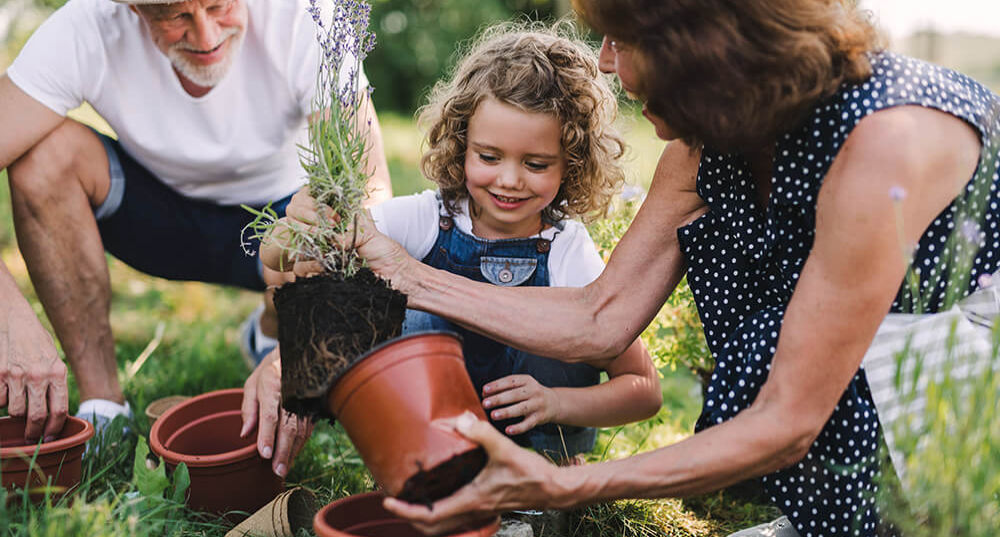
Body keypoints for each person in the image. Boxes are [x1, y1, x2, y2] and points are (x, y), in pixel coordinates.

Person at [273, 1, 998, 535]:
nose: (608, 65)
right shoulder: (710, 136)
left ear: (698, 43)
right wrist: (404, 273)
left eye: (620, 40)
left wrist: (562, 483)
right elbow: (600, 316)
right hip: (872, 359)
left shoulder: (884, 149)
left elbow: (787, 421)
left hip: (966, 390)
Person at [0, 0, 391, 479]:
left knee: (334, 216)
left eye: (218, 5)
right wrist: (10, 318)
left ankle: (272, 329)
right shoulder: (85, 25)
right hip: (157, 217)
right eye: (175, 17)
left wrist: (299, 345)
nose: (205, 36)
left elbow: (369, 195)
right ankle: (104, 407)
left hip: (278, 224)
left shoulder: (307, 14)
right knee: (41, 157)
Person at [264, 27, 663, 463]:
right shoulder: (426, 220)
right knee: (409, 313)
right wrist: (298, 225)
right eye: (489, 157)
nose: (509, 180)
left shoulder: (566, 248)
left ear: (572, 162)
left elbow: (643, 390)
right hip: (434, 444)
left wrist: (557, 403)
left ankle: (554, 474)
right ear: (461, 145)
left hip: (533, 452)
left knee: (567, 328)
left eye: (535, 163)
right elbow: (280, 254)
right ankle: (417, 463)